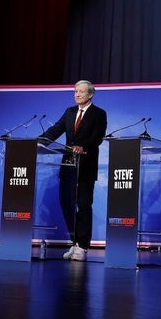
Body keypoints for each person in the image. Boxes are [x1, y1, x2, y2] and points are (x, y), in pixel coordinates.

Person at [40, 80, 108, 262]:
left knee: (83, 204)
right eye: (75, 91)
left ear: (90, 94)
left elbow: (97, 137)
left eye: (81, 92)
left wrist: (82, 146)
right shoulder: (70, 112)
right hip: (68, 165)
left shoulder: (98, 114)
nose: (77, 94)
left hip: (85, 165)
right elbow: (55, 130)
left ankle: (83, 246)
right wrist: (37, 141)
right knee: (66, 202)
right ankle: (74, 241)